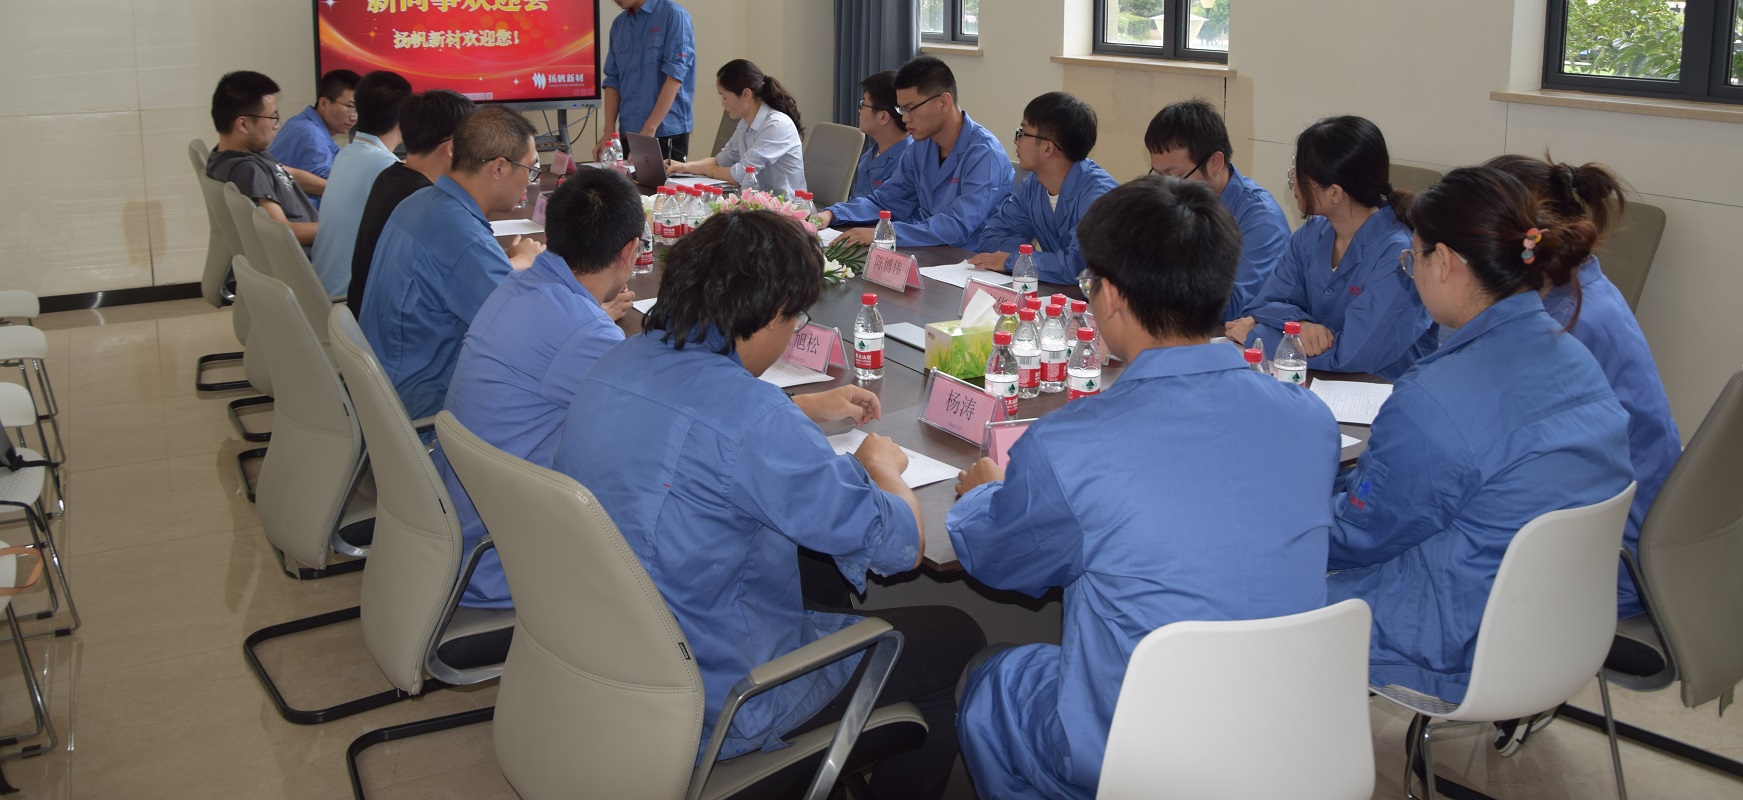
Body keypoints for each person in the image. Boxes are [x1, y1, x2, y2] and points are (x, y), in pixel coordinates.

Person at [555, 211, 986, 800]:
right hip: (722, 696)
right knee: (956, 637)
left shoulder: (617, 362)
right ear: (767, 315)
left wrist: (800, 419)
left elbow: (705, 432)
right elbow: (901, 545)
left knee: (814, 572)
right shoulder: (753, 419)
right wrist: (883, 468)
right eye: (795, 320)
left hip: (612, 659)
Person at [948, 177, 1341, 800]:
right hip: (1285, 731)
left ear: (1110, 296)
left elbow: (998, 558)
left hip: (1142, 751)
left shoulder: (1072, 443)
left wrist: (981, 495)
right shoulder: (1311, 421)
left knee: (995, 677)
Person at [1328, 166, 1633, 703]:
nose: (1412, 273)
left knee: (1252, 575)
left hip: (1452, 646)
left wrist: (1287, 504)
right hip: (1558, 631)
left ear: (1444, 261)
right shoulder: (1577, 360)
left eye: (1413, 258)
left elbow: (1358, 536)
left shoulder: (1432, 399)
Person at [437, 168, 642, 609]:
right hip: (504, 561)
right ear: (629, 251)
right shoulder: (586, 334)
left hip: (460, 531)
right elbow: (657, 427)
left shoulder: (518, 283)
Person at [1487, 153, 1681, 617]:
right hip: (1639, 529)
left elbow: (1497, 456)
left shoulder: (1560, 326)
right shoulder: (1583, 291)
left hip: (1609, 557)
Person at [359, 107, 544, 421]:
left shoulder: (418, 202)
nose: (530, 180)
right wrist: (596, 314)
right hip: (424, 412)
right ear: (500, 167)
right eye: (530, 169)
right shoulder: (463, 238)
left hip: (384, 389)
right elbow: (524, 333)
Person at [1226, 115, 1434, 377]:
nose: (1293, 181)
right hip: (1315, 381)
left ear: (1335, 193)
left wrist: (1259, 337)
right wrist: (1300, 325)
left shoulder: (1398, 256)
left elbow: (1351, 355)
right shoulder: (1311, 234)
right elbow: (1263, 304)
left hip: (1380, 391)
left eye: (1300, 174)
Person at [816, 55, 1012, 251]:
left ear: (944, 102)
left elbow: (957, 226)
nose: (904, 119)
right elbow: (887, 200)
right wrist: (831, 214)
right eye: (901, 110)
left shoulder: (985, 154)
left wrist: (886, 233)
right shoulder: (922, 146)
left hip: (972, 259)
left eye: (910, 109)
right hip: (933, 250)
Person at [1143, 98, 1289, 319]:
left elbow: (1237, 304)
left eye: (1176, 176)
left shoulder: (1262, 221)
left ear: (1215, 162)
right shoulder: (1172, 200)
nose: (1166, 186)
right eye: (1159, 175)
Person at [346, 89, 475, 317]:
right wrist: (520, 259)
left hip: (366, 316)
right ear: (453, 147)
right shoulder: (424, 199)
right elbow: (468, 278)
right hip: (394, 326)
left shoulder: (390, 176)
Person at [967, 92, 1118, 284]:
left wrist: (1015, 260)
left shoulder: (1099, 196)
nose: (1016, 141)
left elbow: (1080, 267)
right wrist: (1030, 260)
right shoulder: (1034, 184)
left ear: (1048, 148)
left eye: (1023, 133)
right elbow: (992, 236)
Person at [309, 71, 412, 299]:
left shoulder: (347, 154)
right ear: (404, 117)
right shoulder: (385, 167)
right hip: (349, 300)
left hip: (324, 291)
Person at [597, 0, 697, 162]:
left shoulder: (674, 16)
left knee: (662, 185)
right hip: (629, 132)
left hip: (664, 131)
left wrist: (649, 129)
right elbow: (613, 80)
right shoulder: (619, 25)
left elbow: (675, 77)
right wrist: (608, 131)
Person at [206, 70, 319, 247]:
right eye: (273, 117)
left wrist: (333, 188)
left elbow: (287, 173)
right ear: (244, 124)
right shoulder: (247, 170)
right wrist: (344, 229)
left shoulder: (243, 152)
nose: (277, 125)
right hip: (315, 253)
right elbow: (283, 231)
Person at [667, 59, 807, 195]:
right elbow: (721, 160)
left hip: (786, 206)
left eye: (725, 97)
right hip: (758, 202)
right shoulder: (745, 123)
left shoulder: (776, 125)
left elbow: (740, 174)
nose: (723, 103)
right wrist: (684, 167)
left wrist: (705, 170)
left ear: (746, 94)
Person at [268, 68, 360, 194]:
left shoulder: (303, 122)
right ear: (324, 104)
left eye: (358, 109)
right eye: (349, 106)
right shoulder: (310, 132)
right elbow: (331, 185)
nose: (354, 117)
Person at [850, 70, 909, 200]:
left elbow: (883, 207)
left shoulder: (908, 163)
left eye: (863, 104)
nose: (859, 110)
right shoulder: (871, 154)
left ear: (883, 117)